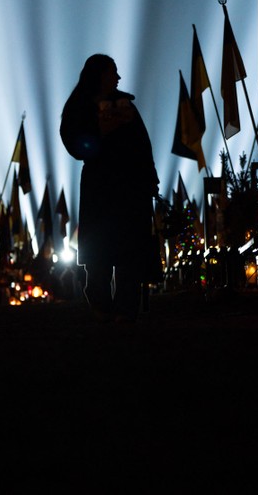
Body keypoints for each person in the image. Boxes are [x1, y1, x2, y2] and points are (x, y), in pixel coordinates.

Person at [60, 54, 159, 323]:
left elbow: (142, 143)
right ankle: (101, 302)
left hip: (131, 187)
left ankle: (126, 310)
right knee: (100, 251)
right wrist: (101, 131)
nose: (118, 77)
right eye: (112, 72)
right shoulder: (79, 106)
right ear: (99, 75)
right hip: (100, 189)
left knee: (130, 251)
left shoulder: (127, 106)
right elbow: (74, 144)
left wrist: (149, 177)